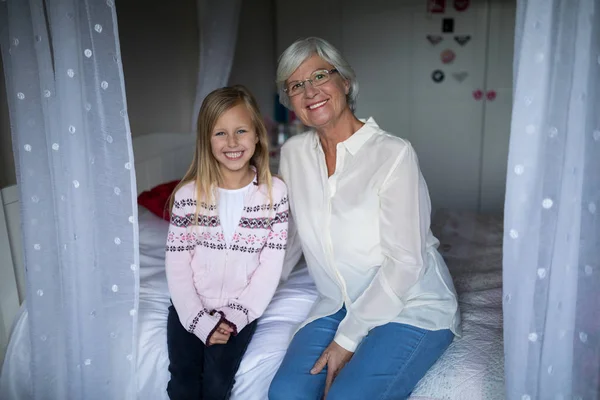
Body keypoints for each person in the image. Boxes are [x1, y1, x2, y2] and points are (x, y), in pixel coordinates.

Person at [268, 37, 461, 400]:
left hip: (410, 304)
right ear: (289, 100)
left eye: (320, 75)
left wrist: (348, 338)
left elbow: (406, 262)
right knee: (286, 394)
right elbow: (290, 238)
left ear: (345, 81)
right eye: (296, 85)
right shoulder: (293, 154)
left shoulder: (392, 154)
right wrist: (245, 296)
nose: (310, 91)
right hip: (337, 302)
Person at [165, 85, 289, 400]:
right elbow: (177, 266)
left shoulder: (275, 194)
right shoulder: (187, 197)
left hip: (238, 310)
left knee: (218, 383)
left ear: (258, 135)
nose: (232, 142)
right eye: (220, 133)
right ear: (206, 141)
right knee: (183, 382)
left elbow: (270, 265)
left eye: (241, 131)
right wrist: (196, 320)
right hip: (190, 306)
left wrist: (236, 317)